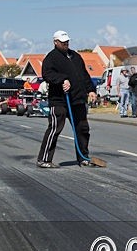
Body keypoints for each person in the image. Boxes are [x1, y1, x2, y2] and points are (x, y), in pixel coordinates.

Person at [36, 30, 97, 168]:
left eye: (67, 42)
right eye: (62, 42)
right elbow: (47, 74)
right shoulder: (51, 58)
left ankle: (83, 157)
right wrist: (62, 79)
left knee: (82, 129)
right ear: (55, 42)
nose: (65, 44)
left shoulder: (75, 56)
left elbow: (84, 75)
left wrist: (91, 90)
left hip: (77, 99)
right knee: (55, 129)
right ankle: (44, 159)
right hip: (59, 100)